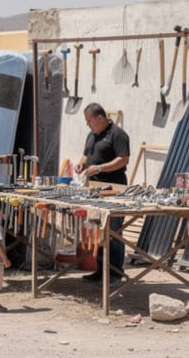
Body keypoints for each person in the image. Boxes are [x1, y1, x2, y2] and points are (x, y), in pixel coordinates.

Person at [74, 103, 130, 284]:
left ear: (100, 118)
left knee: (113, 231)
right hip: (94, 190)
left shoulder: (118, 134)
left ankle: (115, 272)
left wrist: (100, 168)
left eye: (89, 121)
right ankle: (100, 270)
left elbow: (123, 159)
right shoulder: (92, 135)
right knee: (97, 230)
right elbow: (86, 154)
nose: (88, 125)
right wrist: (81, 164)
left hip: (113, 189)